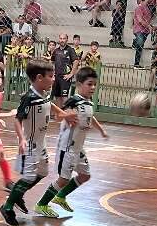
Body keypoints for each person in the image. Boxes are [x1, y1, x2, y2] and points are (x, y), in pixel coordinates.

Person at [34, 66, 108, 218]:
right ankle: (41, 204)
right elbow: (58, 116)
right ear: (79, 84)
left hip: (79, 148)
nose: (93, 87)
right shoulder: (73, 101)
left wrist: (101, 130)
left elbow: (90, 117)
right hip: (67, 148)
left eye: (94, 84)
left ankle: (60, 197)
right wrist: (67, 116)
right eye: (89, 84)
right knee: (63, 179)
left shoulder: (88, 103)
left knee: (85, 175)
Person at [0, 59, 55, 226]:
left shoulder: (44, 94)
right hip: (30, 144)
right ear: (39, 78)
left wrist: (64, 115)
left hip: (42, 142)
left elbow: (49, 106)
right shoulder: (29, 98)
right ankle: (7, 207)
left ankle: (17, 195)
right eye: (50, 76)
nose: (53, 79)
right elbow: (17, 120)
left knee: (43, 172)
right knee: (29, 176)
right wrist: (21, 139)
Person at [50, 33, 80, 112]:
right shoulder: (56, 51)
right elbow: (52, 62)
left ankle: (67, 115)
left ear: (67, 40)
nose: (62, 40)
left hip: (65, 78)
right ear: (59, 39)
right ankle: (60, 114)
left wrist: (71, 74)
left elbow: (76, 61)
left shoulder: (70, 50)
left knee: (64, 97)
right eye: (61, 38)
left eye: (64, 38)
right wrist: (52, 75)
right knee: (57, 96)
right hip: (56, 77)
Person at [132, 0, 152, 68]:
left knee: (140, 44)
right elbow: (140, 20)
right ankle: (136, 64)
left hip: (145, 30)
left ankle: (135, 42)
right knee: (140, 45)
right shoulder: (139, 8)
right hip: (139, 29)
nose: (149, 1)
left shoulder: (147, 8)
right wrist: (149, 26)